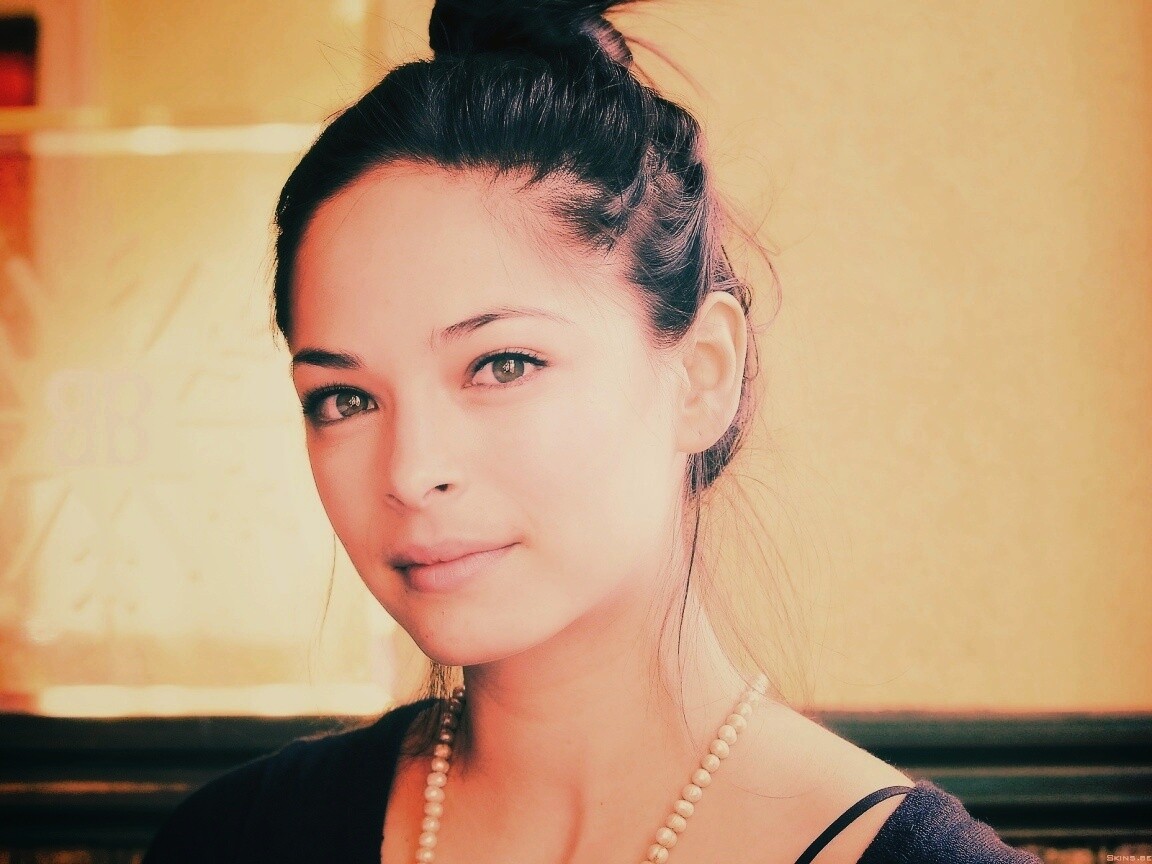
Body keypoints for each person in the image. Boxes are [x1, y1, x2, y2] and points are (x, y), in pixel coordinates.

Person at [144, 2, 1042, 862]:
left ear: (702, 373)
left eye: (502, 365)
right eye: (344, 399)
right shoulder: (234, 840)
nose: (411, 472)